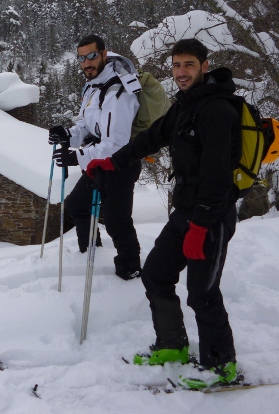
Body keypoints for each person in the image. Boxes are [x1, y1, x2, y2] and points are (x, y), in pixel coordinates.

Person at [87, 39, 240, 388]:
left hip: (211, 216)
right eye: (176, 65)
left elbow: (217, 178)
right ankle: (172, 346)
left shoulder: (217, 110)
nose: (181, 72)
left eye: (188, 65)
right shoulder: (185, 105)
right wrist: (111, 161)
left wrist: (201, 225)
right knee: (156, 274)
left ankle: (221, 365)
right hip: (186, 211)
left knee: (202, 292)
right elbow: (151, 138)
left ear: (204, 65)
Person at [49, 34, 142, 281]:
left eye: (91, 56)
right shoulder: (93, 86)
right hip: (98, 161)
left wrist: (77, 156)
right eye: (81, 58)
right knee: (78, 205)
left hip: (121, 164)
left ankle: (130, 269)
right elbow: (89, 126)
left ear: (103, 54)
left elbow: (116, 144)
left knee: (116, 222)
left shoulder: (119, 90)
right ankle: (90, 250)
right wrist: (68, 136)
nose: (86, 63)